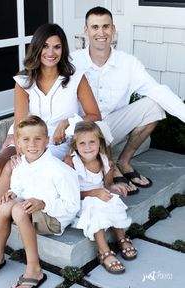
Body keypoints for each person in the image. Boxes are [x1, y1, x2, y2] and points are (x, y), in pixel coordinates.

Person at [0, 23, 101, 269]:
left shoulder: (75, 79)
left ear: (63, 50)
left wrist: (69, 122)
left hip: (54, 144)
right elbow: (20, 125)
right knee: (1, 162)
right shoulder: (23, 80)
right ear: (36, 49)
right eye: (45, 47)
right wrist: (17, 144)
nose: (51, 52)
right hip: (25, 136)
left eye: (57, 47)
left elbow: (94, 114)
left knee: (10, 167)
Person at [71, 6, 185, 194]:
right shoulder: (73, 62)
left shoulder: (128, 63)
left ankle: (123, 161)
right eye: (95, 27)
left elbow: (158, 91)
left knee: (154, 106)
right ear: (86, 30)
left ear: (113, 29)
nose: (101, 33)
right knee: (95, 125)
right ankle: (110, 167)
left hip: (114, 127)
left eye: (106, 27)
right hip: (81, 130)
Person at [0, 116, 80, 288]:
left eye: (38, 139)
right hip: (30, 209)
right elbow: (17, 185)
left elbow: (72, 206)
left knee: (18, 210)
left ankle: (34, 269)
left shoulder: (60, 171)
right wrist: (12, 193)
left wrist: (44, 203)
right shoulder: (20, 163)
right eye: (26, 139)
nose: (32, 144)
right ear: (19, 143)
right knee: (5, 205)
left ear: (46, 140)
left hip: (55, 217)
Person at [64, 121, 136, 274]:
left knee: (113, 200)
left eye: (92, 142)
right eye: (82, 143)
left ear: (99, 143)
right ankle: (103, 251)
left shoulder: (106, 162)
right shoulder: (71, 163)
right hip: (80, 202)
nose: (88, 147)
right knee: (94, 206)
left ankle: (121, 238)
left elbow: (107, 185)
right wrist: (94, 193)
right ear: (75, 145)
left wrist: (114, 188)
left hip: (99, 197)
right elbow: (68, 194)